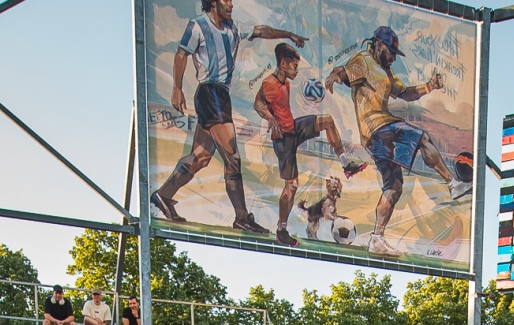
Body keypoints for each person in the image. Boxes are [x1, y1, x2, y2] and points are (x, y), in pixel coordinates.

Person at [152, 0, 306, 235]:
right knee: (232, 158)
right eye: (226, 0)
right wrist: (177, 88)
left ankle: (163, 195)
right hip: (210, 92)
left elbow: (260, 31)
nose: (231, 4)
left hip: (220, 95)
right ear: (213, 3)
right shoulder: (198, 26)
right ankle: (242, 218)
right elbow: (181, 54)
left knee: (201, 156)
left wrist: (288, 34)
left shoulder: (233, 28)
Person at [328, 24, 468, 258]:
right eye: (391, 52)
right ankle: (453, 183)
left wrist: (429, 86)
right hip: (377, 127)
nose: (393, 58)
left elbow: (405, 93)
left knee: (393, 188)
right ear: (379, 45)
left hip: (376, 138)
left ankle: (377, 239)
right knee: (422, 138)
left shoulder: (386, 73)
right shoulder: (363, 60)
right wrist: (336, 74)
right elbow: (345, 72)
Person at [255, 41, 363, 246]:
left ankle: (346, 164)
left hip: (293, 128)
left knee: (327, 121)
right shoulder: (270, 83)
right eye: (294, 66)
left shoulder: (286, 82)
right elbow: (258, 104)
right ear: (283, 63)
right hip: (283, 138)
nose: (296, 70)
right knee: (292, 185)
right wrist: (270, 118)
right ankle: (281, 230)